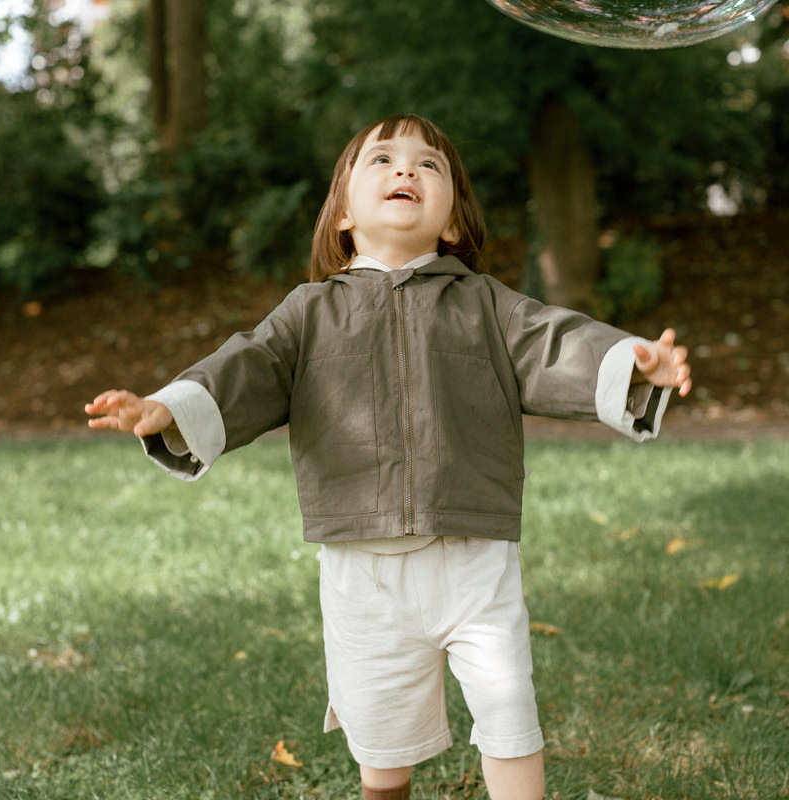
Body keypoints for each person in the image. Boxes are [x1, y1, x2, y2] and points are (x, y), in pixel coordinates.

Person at [86, 113, 692, 800]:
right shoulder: (309, 313)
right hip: (360, 570)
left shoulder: (486, 306)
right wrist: (170, 407)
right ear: (344, 212)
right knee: (381, 743)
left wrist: (635, 365)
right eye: (383, 159)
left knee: (508, 714)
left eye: (428, 165)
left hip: (475, 559)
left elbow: (557, 345)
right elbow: (246, 368)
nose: (406, 170)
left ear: (454, 223)